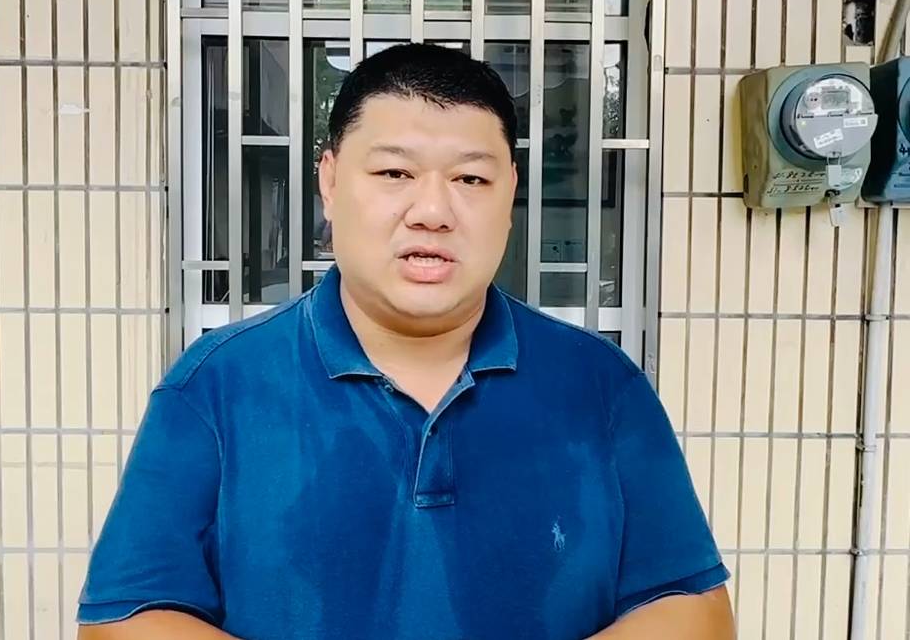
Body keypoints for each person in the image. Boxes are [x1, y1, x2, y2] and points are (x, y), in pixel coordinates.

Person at [76, 43, 734, 640]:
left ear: (510, 192)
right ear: (330, 181)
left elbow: (696, 612)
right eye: (395, 173)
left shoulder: (600, 385)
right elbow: (122, 623)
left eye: (471, 179)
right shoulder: (218, 385)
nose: (433, 211)